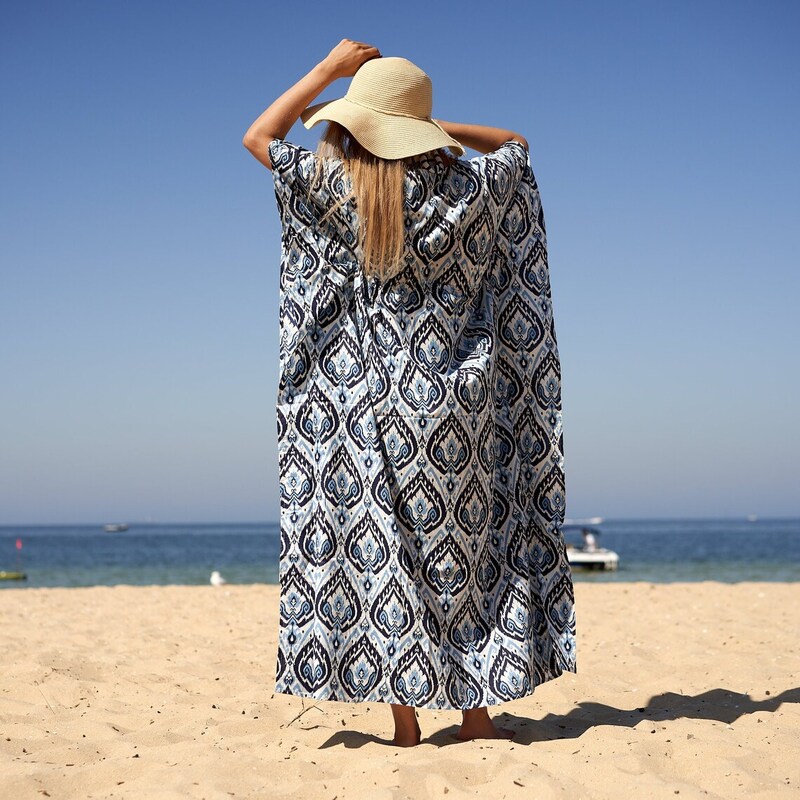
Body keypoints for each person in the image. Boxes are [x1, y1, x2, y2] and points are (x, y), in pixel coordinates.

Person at [243, 40, 577, 747]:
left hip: (370, 404)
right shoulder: (470, 192)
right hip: (464, 405)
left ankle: (406, 725)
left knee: (390, 557)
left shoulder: (340, 189)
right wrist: (434, 129)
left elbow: (259, 138)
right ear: (417, 129)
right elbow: (516, 143)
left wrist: (328, 72)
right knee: (471, 554)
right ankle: (478, 717)